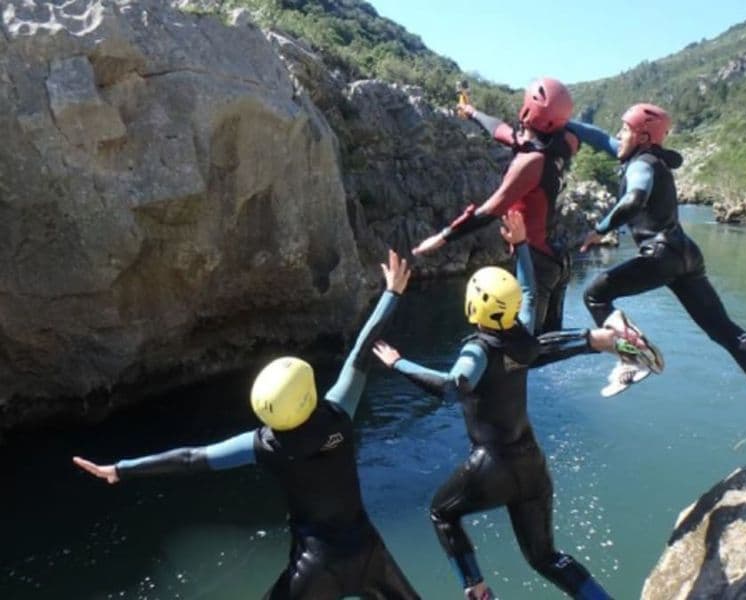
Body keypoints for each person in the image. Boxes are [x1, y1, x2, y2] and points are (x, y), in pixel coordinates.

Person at [73, 250, 420, 600]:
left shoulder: (265, 445)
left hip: (317, 569)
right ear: (307, 393)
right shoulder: (338, 413)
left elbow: (191, 458)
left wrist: (122, 469)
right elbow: (361, 351)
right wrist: (392, 293)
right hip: (369, 554)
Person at [373, 211, 655, 600]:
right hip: (531, 464)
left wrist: (397, 363)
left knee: (442, 513)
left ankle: (478, 591)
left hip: (492, 466)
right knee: (545, 557)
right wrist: (521, 245)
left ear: (473, 307)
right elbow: (527, 290)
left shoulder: (477, 349)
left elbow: (452, 387)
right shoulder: (522, 332)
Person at [567, 103, 746, 449]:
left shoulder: (642, 164)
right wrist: (559, 123)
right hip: (685, 254)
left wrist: (599, 229)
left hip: (661, 254)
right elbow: (597, 137)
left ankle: (633, 356)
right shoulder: (641, 153)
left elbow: (633, 199)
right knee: (724, 330)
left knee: (595, 295)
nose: (618, 134)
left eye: (625, 129)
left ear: (643, 136)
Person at [413, 77, 579, 334]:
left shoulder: (531, 162)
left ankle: (606, 339)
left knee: (524, 346)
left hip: (535, 263)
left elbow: (490, 210)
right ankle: (600, 340)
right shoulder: (558, 144)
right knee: (544, 341)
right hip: (552, 257)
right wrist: (471, 112)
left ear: (526, 111)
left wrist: (442, 238)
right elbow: (501, 130)